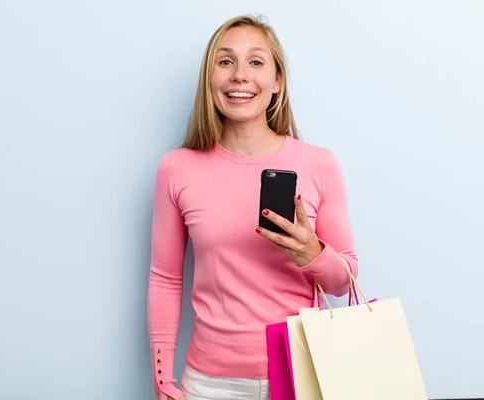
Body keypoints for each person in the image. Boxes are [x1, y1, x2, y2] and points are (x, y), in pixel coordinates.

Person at [147, 14, 359, 400]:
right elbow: (165, 278)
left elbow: (344, 282)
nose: (239, 75)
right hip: (209, 384)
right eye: (225, 61)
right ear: (209, 79)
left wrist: (313, 254)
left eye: (256, 62)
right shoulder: (177, 167)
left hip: (304, 377)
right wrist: (162, 378)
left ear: (277, 81)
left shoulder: (319, 164)